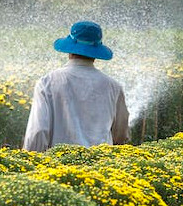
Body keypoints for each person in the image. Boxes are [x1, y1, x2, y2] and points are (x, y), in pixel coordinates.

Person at [23, 21, 130, 152]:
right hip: (101, 166)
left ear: (70, 50)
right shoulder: (113, 87)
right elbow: (121, 134)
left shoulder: (47, 83)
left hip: (56, 166)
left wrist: (32, 162)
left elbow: (38, 132)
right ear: (96, 53)